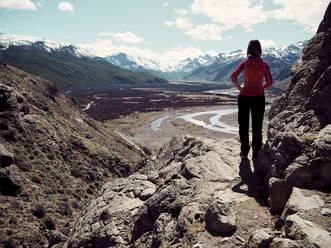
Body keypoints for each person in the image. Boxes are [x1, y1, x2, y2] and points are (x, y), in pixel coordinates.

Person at [231, 40, 272, 161]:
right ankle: (256, 154)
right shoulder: (265, 65)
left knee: (243, 126)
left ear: (248, 50)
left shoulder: (245, 63)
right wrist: (261, 86)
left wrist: (240, 88)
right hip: (259, 98)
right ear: (260, 50)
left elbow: (233, 76)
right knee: (257, 127)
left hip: (244, 97)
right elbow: (269, 82)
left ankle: (244, 152)